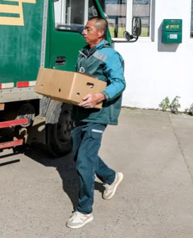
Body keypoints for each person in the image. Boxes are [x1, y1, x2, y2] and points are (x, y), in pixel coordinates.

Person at [66, 17, 126, 229]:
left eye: (88, 29)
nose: (83, 32)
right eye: (84, 28)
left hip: (98, 114)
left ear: (100, 33)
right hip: (80, 112)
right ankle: (111, 177)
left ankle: (84, 211)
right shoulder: (85, 52)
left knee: (84, 161)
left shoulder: (109, 55)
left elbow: (119, 82)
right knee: (78, 155)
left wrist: (99, 96)